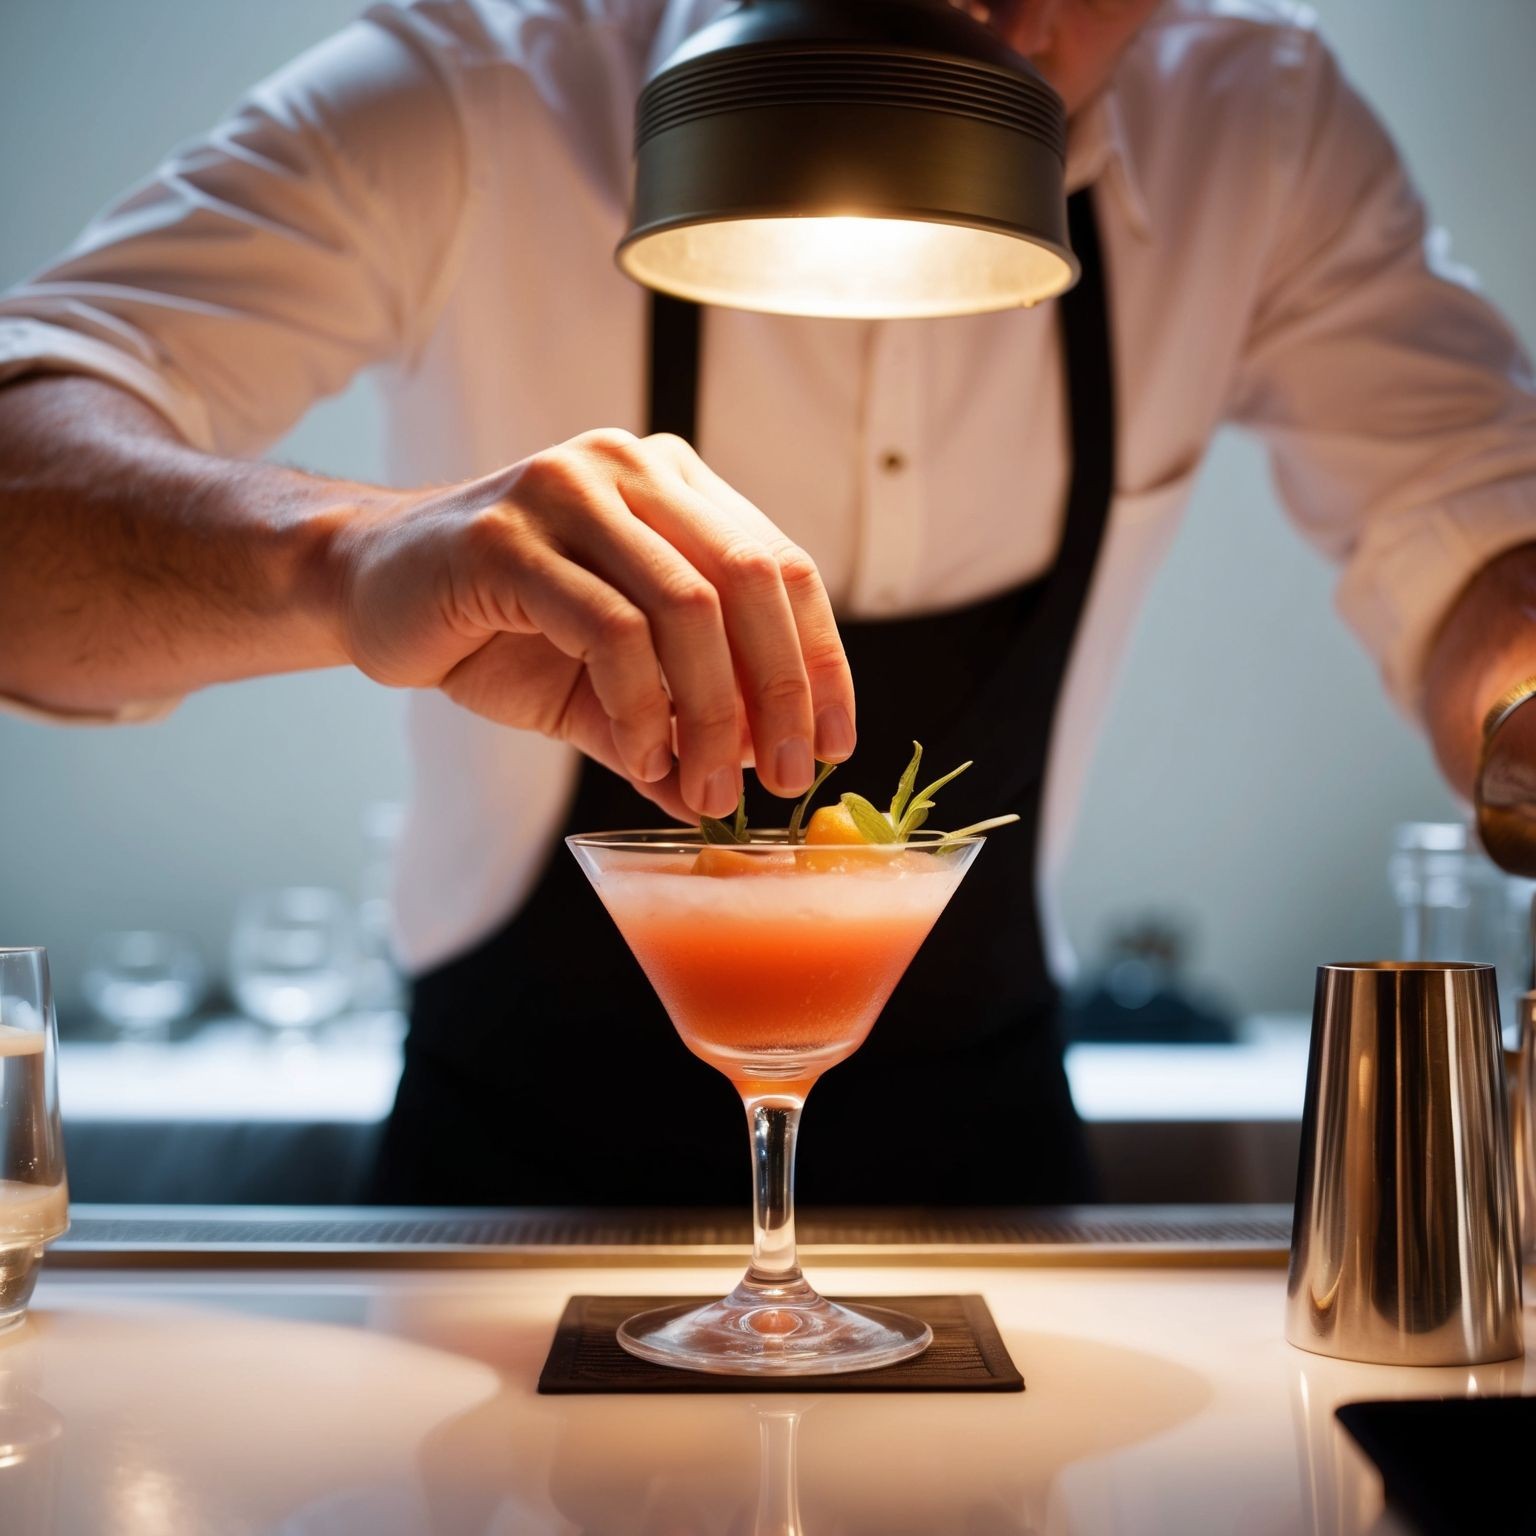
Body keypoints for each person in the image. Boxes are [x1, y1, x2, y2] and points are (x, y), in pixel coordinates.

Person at [2, 0, 1534, 1205]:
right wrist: (344, 558)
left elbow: (1479, 532)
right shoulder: (480, 86)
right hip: (503, 1205)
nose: (995, 21)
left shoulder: (1255, 125)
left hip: (994, 1178)